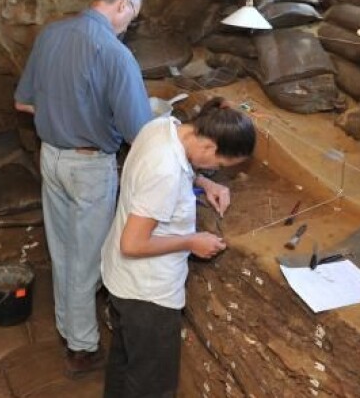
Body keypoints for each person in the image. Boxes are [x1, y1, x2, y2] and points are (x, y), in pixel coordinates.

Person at [14, 0, 153, 378]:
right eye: (133, 15)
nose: (130, 24)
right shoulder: (114, 53)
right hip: (88, 166)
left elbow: (23, 103)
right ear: (123, 5)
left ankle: (68, 328)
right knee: (87, 260)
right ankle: (82, 346)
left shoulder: (50, 35)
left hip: (52, 158)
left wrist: (64, 111)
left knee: (63, 250)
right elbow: (138, 132)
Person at [101, 98, 256, 398]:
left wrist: (203, 182)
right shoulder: (167, 172)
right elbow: (132, 243)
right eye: (221, 165)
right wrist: (191, 241)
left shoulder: (165, 127)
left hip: (122, 280)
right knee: (152, 386)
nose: (216, 170)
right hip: (147, 295)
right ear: (210, 147)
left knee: (124, 363)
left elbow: (170, 166)